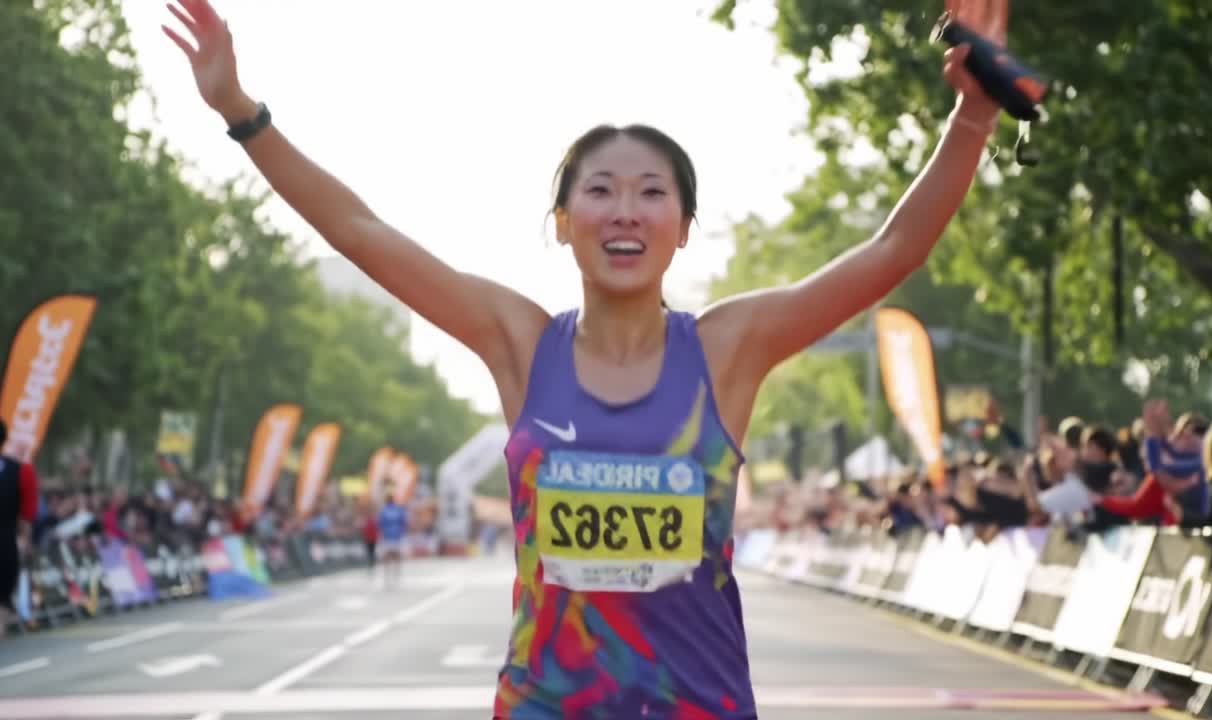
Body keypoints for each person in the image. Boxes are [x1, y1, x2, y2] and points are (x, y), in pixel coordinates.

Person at [163, 0, 1007, 715]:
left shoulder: (727, 350)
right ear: (563, 220)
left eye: (651, 193)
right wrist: (241, 111)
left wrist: (972, 115)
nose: (624, 213)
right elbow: (360, 232)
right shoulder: (520, 342)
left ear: (683, 224)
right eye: (599, 191)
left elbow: (894, 250)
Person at [0, 420, 39, 637]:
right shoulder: (22, 472)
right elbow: (26, 516)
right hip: (5, 545)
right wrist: (25, 542)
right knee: (2, 603)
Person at [376, 492, 408, 589]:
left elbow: (380, 524)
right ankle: (392, 575)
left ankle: (393, 575)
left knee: (391, 556)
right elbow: (380, 523)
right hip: (392, 536)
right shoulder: (390, 510)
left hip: (392, 536)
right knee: (393, 556)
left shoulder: (387, 510)